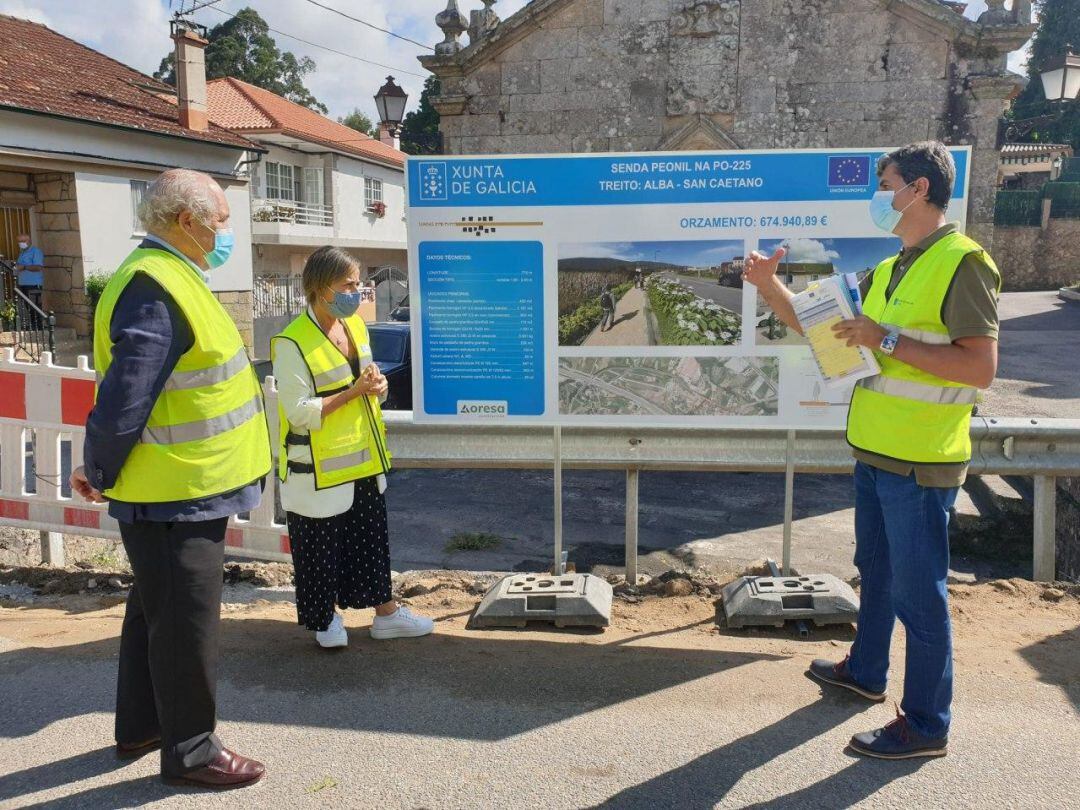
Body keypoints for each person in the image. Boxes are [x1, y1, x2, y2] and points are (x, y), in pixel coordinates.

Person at [744, 141, 1000, 760]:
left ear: (916, 189)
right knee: (878, 575)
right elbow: (820, 327)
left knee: (921, 595)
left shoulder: (965, 262)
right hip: (875, 453)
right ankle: (865, 672)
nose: (878, 197)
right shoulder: (891, 268)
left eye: (885, 184)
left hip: (920, 461)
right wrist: (769, 285)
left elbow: (980, 367)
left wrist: (883, 338)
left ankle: (926, 726)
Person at [69, 169, 271, 789]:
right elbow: (127, 395)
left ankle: (141, 725)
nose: (228, 230)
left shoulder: (171, 275)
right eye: (222, 218)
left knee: (155, 610)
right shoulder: (157, 286)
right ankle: (192, 752)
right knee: (184, 624)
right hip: (175, 492)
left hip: (178, 487)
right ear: (187, 221)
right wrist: (97, 468)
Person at [271, 246, 433, 649]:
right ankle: (325, 620)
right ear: (320, 287)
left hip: (361, 458)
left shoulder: (356, 326)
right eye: (348, 284)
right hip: (316, 470)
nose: (356, 291)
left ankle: (387, 615)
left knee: (370, 540)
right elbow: (298, 412)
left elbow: (369, 382)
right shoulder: (291, 342)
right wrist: (354, 391)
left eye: (358, 283)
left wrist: (378, 386)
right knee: (318, 548)